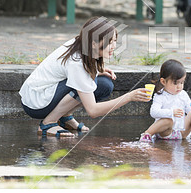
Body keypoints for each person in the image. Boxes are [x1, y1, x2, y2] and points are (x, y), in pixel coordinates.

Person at [19, 16, 150, 137]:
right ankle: (47, 124)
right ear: (93, 43)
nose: (113, 47)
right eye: (109, 42)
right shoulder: (77, 63)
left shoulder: (82, 43)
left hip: (46, 92)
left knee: (104, 84)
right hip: (36, 103)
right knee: (85, 84)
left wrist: (97, 71)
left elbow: (75, 72)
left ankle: (65, 116)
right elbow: (92, 110)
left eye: (115, 41)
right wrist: (129, 97)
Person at [139, 59, 191, 144]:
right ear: (163, 81)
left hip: (182, 133)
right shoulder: (160, 96)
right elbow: (153, 112)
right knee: (168, 120)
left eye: (181, 83)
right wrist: (171, 112)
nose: (179, 87)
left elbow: (190, 111)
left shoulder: (183, 94)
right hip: (166, 132)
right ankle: (147, 134)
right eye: (175, 83)